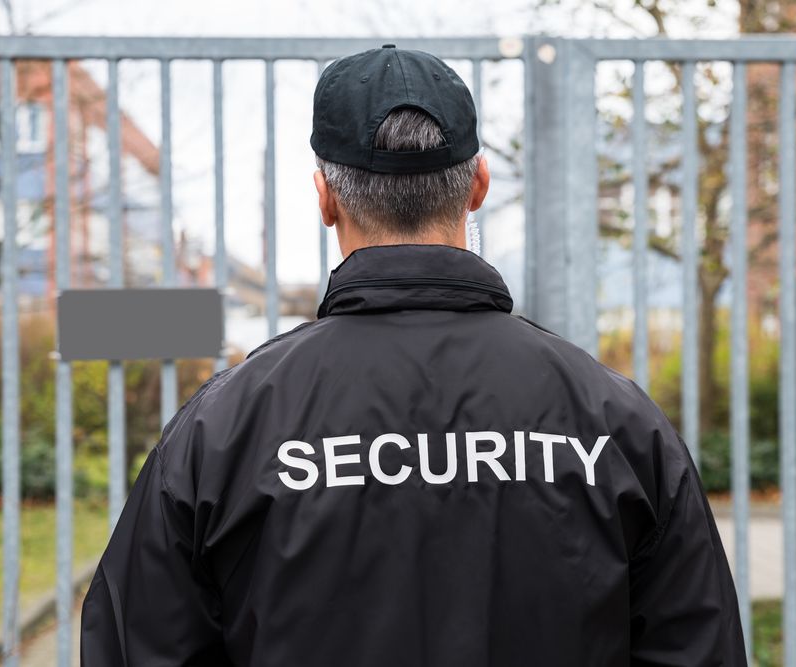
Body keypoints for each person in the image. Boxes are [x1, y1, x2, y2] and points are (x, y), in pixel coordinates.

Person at [80, 45, 747, 666]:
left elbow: (138, 646)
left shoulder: (223, 430)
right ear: (479, 183)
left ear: (326, 198)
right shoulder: (615, 422)